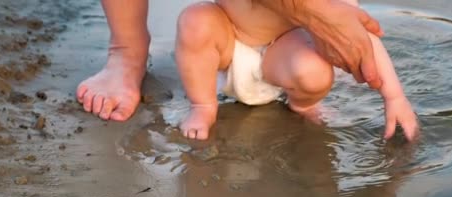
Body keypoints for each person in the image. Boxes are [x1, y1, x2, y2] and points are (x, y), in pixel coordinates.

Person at [76, 0, 417, 140]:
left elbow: (363, 38)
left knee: (314, 72)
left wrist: (394, 95)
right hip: (229, 42)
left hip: (284, 53)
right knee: (195, 22)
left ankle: (303, 105)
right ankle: (203, 105)